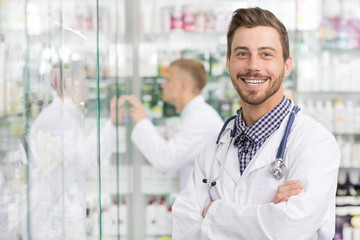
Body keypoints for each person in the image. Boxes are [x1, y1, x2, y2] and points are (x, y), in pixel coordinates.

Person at [172, 7, 340, 240]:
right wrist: (265, 213)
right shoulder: (213, 147)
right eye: (242, 54)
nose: (253, 65)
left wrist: (211, 213)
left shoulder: (315, 144)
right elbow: (184, 228)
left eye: (266, 54)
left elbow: (287, 229)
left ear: (287, 65)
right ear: (228, 63)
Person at [28, 66, 125, 240]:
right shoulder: (60, 116)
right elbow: (84, 157)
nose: (88, 87)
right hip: (55, 214)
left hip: (60, 209)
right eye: (84, 82)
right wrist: (112, 123)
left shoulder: (65, 114)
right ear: (68, 85)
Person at [125, 59, 223, 190]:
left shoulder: (200, 118)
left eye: (168, 80)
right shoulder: (195, 115)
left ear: (184, 85)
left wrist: (142, 121)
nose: (163, 85)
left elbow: (166, 160)